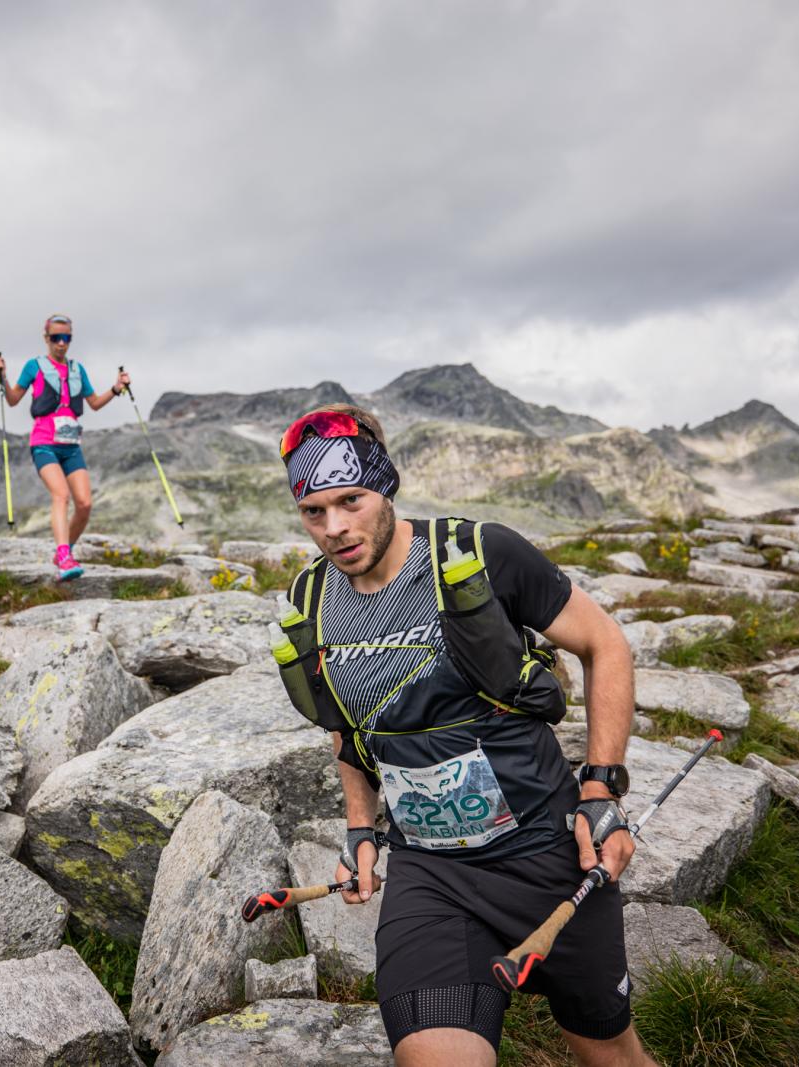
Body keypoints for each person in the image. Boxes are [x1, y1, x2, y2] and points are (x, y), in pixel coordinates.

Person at [273, 404, 654, 1067]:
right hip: (432, 872)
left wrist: (601, 788)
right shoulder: (311, 601)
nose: (334, 528)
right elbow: (346, 727)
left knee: (611, 1055)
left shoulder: (479, 554)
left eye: (350, 501)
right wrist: (361, 829)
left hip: (547, 853)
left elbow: (605, 642)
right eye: (314, 512)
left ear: (384, 484)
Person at [0, 315, 130, 580]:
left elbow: (94, 403)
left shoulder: (78, 369)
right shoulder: (34, 366)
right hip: (44, 443)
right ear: (46, 338)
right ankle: (65, 557)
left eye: (66, 338)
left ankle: (64, 552)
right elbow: (12, 400)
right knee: (61, 495)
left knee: (85, 504)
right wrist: (2, 377)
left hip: (71, 446)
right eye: (56, 338)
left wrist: (116, 388)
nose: (61, 343)